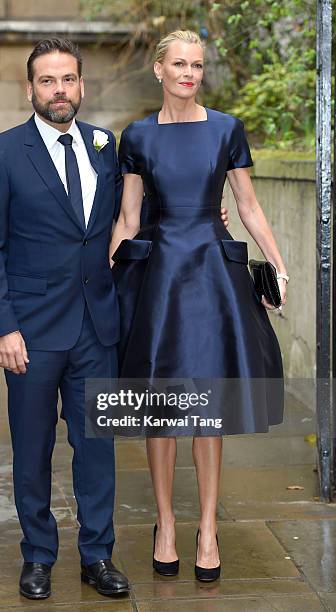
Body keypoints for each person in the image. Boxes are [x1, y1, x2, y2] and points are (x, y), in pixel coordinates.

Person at [110, 30, 288, 583]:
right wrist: (102, 283)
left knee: (208, 405)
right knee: (159, 408)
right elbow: (129, 218)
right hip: (159, 275)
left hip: (212, 273)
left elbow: (248, 204)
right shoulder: (136, 136)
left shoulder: (226, 129)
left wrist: (277, 266)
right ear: (159, 70)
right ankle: (165, 524)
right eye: (180, 64)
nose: (190, 73)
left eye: (198, 65)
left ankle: (207, 527)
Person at [0, 38, 131, 600]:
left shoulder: (105, 146)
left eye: (68, 79)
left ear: (82, 85)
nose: (59, 90)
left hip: (96, 326)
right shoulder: (2, 152)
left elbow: (126, 218)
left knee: (97, 447)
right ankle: (38, 555)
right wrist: (2, 328)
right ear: (31, 88)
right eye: (47, 81)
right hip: (31, 332)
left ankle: (98, 555)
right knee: (32, 448)